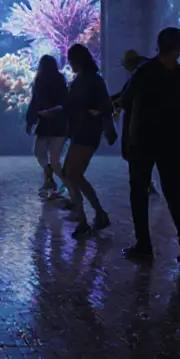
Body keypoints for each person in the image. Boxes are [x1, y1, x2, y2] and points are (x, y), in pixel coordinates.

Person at [119, 27, 180, 262]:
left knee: (139, 193)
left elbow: (125, 103)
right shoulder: (178, 73)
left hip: (143, 142)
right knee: (173, 194)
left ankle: (144, 246)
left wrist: (125, 139)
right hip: (167, 143)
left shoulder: (145, 71)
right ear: (177, 48)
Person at [61, 45, 117, 238]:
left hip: (88, 132)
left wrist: (98, 114)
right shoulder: (81, 81)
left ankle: (89, 217)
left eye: (72, 61)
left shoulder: (93, 81)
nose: (70, 65)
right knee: (70, 174)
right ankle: (93, 215)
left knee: (73, 173)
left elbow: (105, 107)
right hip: (79, 131)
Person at [113, 49, 160, 199]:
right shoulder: (144, 69)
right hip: (146, 122)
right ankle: (147, 183)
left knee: (136, 155)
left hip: (139, 122)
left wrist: (113, 103)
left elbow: (126, 96)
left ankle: (144, 184)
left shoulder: (140, 72)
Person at [26, 54, 69, 200]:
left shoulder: (58, 80)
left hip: (57, 123)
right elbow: (35, 100)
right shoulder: (39, 81)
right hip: (47, 123)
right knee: (40, 152)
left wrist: (32, 119)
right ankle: (50, 175)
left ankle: (66, 185)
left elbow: (64, 102)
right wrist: (30, 120)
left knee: (53, 158)